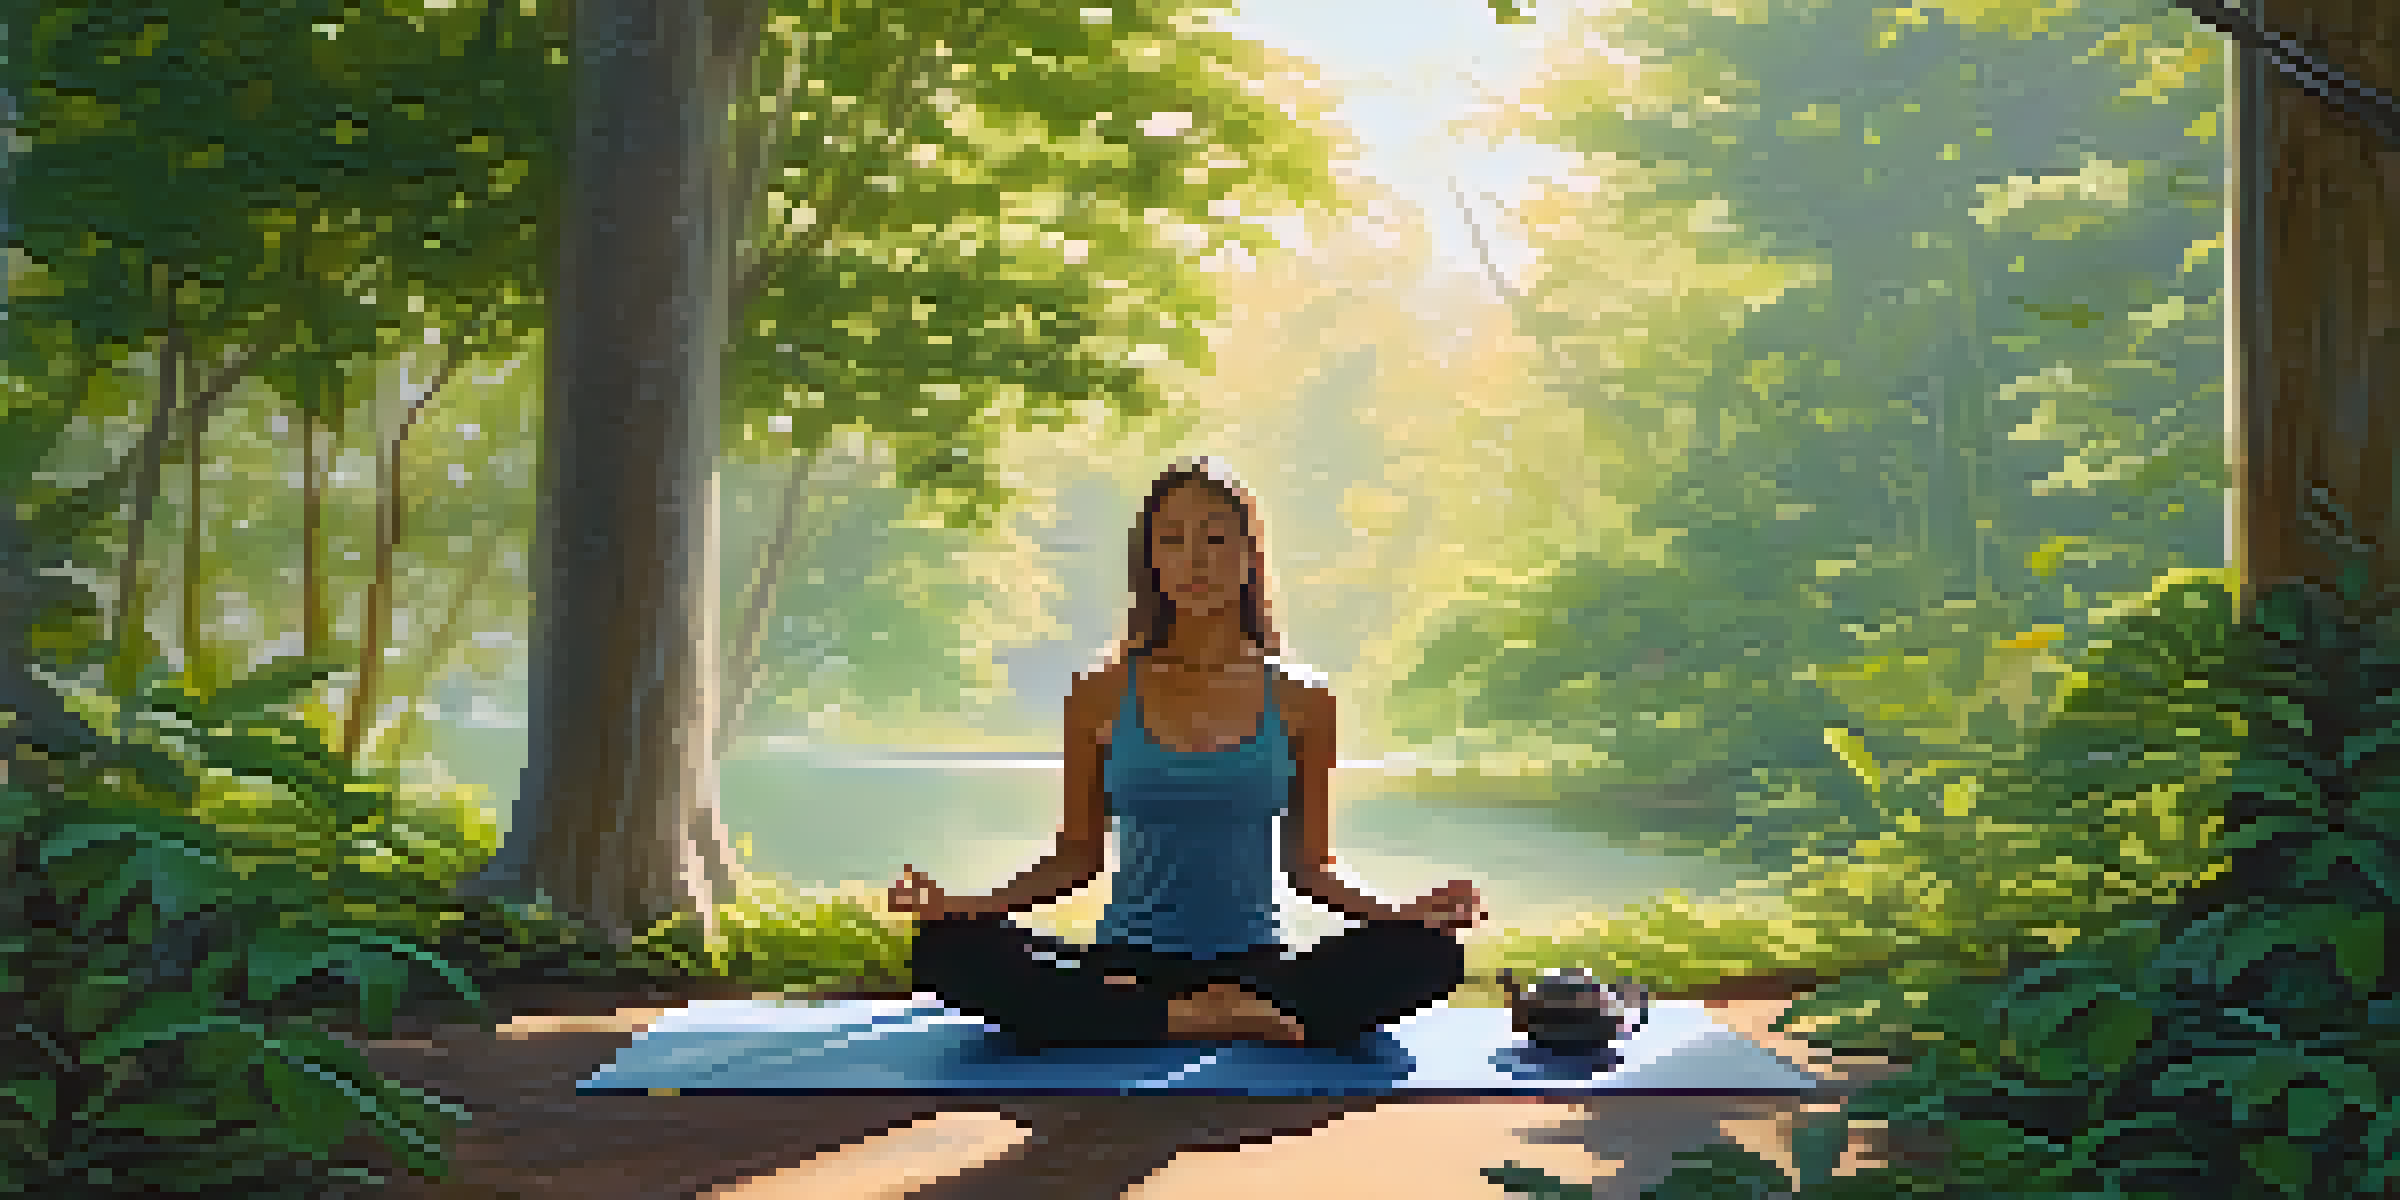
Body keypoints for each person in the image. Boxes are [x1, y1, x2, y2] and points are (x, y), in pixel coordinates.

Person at [889, 456, 1484, 1053]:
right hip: (1127, 962)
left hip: (1258, 968)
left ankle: (1143, 1021)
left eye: (1216, 538)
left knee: (1427, 952)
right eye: (1172, 539)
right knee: (949, 947)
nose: (1195, 559)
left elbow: (1313, 869)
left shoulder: (1302, 698)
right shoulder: (1099, 694)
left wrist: (1405, 911)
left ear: (1249, 555)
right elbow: (1076, 858)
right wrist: (963, 905)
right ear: (1150, 561)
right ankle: (1196, 1018)